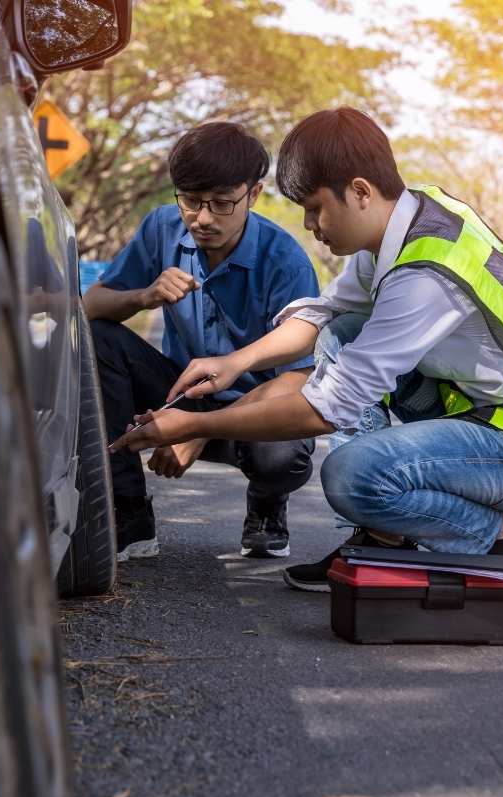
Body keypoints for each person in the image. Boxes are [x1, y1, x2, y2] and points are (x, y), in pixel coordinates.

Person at [112, 107, 503, 591]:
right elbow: (323, 314)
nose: (310, 224)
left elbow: (327, 409)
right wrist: (235, 362)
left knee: (352, 476)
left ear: (361, 192)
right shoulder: (407, 219)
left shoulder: (425, 274)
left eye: (315, 208)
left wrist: (194, 425)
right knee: (342, 330)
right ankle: (381, 537)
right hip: (479, 416)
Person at [84, 121, 321, 561]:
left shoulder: (286, 262)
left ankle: (267, 504)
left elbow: (300, 380)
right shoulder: (161, 227)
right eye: (191, 201)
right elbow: (91, 305)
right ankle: (128, 512)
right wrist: (143, 296)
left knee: (282, 457)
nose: (204, 218)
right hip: (179, 394)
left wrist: (199, 428)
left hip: (254, 413)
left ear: (254, 194)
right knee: (98, 339)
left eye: (222, 203)